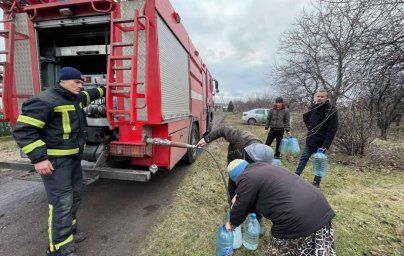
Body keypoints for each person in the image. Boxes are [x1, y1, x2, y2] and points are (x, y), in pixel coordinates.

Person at [13, 67, 106, 256]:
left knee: (75, 195)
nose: (81, 86)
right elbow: (23, 130)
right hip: (56, 162)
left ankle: (69, 233)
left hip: (72, 159)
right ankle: (59, 248)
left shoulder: (75, 98)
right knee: (61, 202)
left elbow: (93, 93)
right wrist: (39, 159)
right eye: (77, 82)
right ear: (63, 81)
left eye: (82, 82)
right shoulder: (44, 100)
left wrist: (107, 87)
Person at [225, 159, 336, 256]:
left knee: (276, 251)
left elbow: (241, 207)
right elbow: (255, 200)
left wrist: (231, 223)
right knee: (311, 250)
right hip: (320, 207)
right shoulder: (262, 168)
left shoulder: (246, 177)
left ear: (236, 177)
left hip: (294, 218)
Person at [196, 125, 273, 235]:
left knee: (256, 192)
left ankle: (257, 219)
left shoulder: (264, 156)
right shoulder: (239, 138)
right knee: (233, 186)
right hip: (235, 161)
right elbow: (222, 129)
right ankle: (233, 211)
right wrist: (206, 139)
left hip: (250, 169)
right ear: (249, 155)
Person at [294, 89, 338, 188]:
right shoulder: (314, 108)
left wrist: (326, 145)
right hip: (310, 141)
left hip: (322, 143)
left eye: (322, 96)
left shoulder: (331, 111)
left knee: (319, 162)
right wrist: (310, 127)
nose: (319, 98)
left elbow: (332, 130)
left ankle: (316, 183)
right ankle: (295, 176)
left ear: (327, 98)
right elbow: (305, 116)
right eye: (318, 96)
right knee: (303, 158)